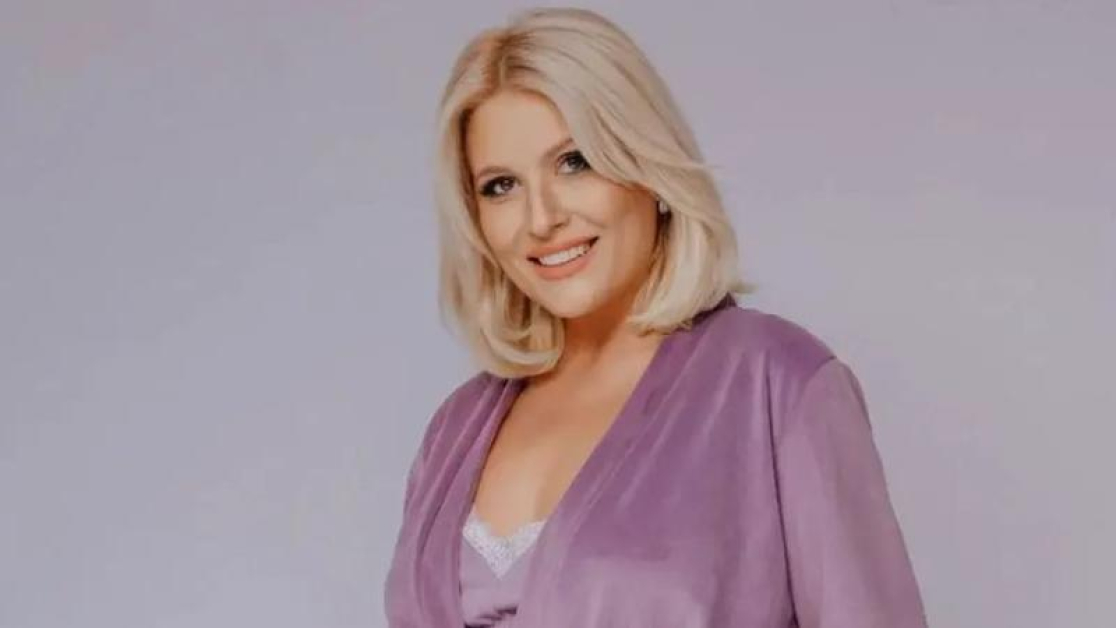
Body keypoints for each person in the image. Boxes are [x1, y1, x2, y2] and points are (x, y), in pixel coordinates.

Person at [384, 7, 928, 627]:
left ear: (648, 168)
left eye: (574, 162)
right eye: (501, 186)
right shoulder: (453, 431)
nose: (541, 218)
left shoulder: (776, 383)